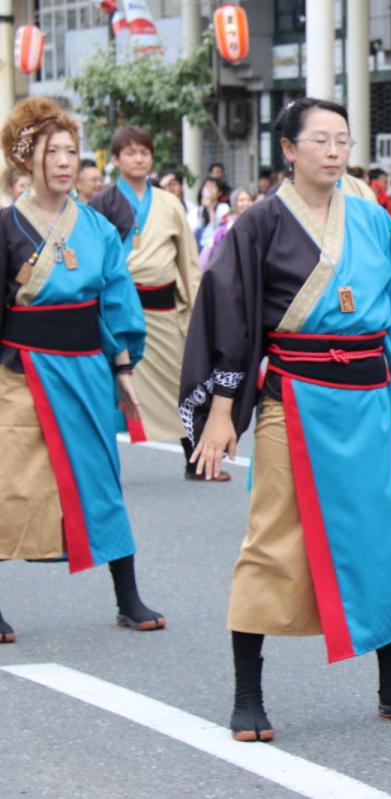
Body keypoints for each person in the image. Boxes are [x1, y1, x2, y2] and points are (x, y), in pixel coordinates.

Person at [180, 97, 391, 742]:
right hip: (294, 399)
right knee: (273, 540)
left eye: (343, 139)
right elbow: (231, 321)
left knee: (377, 540)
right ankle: (247, 694)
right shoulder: (256, 227)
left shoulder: (372, 221)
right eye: (320, 140)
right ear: (288, 149)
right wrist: (223, 412)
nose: (335, 151)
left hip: (364, 400)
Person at [0, 96, 164, 644]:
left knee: (101, 478)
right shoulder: (5, 227)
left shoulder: (94, 227)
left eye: (73, 151)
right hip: (20, 371)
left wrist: (123, 369)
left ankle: (127, 595)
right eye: (54, 152)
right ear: (29, 160)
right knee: (12, 484)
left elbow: (115, 300)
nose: (67, 162)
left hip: (86, 368)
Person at [90, 126, 205, 478]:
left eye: (144, 152)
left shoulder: (169, 203)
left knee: (177, 383)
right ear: (116, 159)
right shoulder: (101, 205)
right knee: (107, 385)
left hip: (161, 308)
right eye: (130, 152)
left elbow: (187, 259)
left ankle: (194, 456)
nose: (139, 158)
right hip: (117, 309)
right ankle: (101, 465)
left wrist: (196, 309)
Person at [200, 186, 256, 271]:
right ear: (234, 205)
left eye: (249, 200)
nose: (246, 203)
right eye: (241, 200)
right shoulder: (223, 231)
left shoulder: (258, 226)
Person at [192, 177, 230, 252]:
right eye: (206, 186)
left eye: (212, 187)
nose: (209, 190)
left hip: (216, 246)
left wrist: (210, 209)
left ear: (219, 193)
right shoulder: (196, 210)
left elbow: (217, 230)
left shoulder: (224, 208)